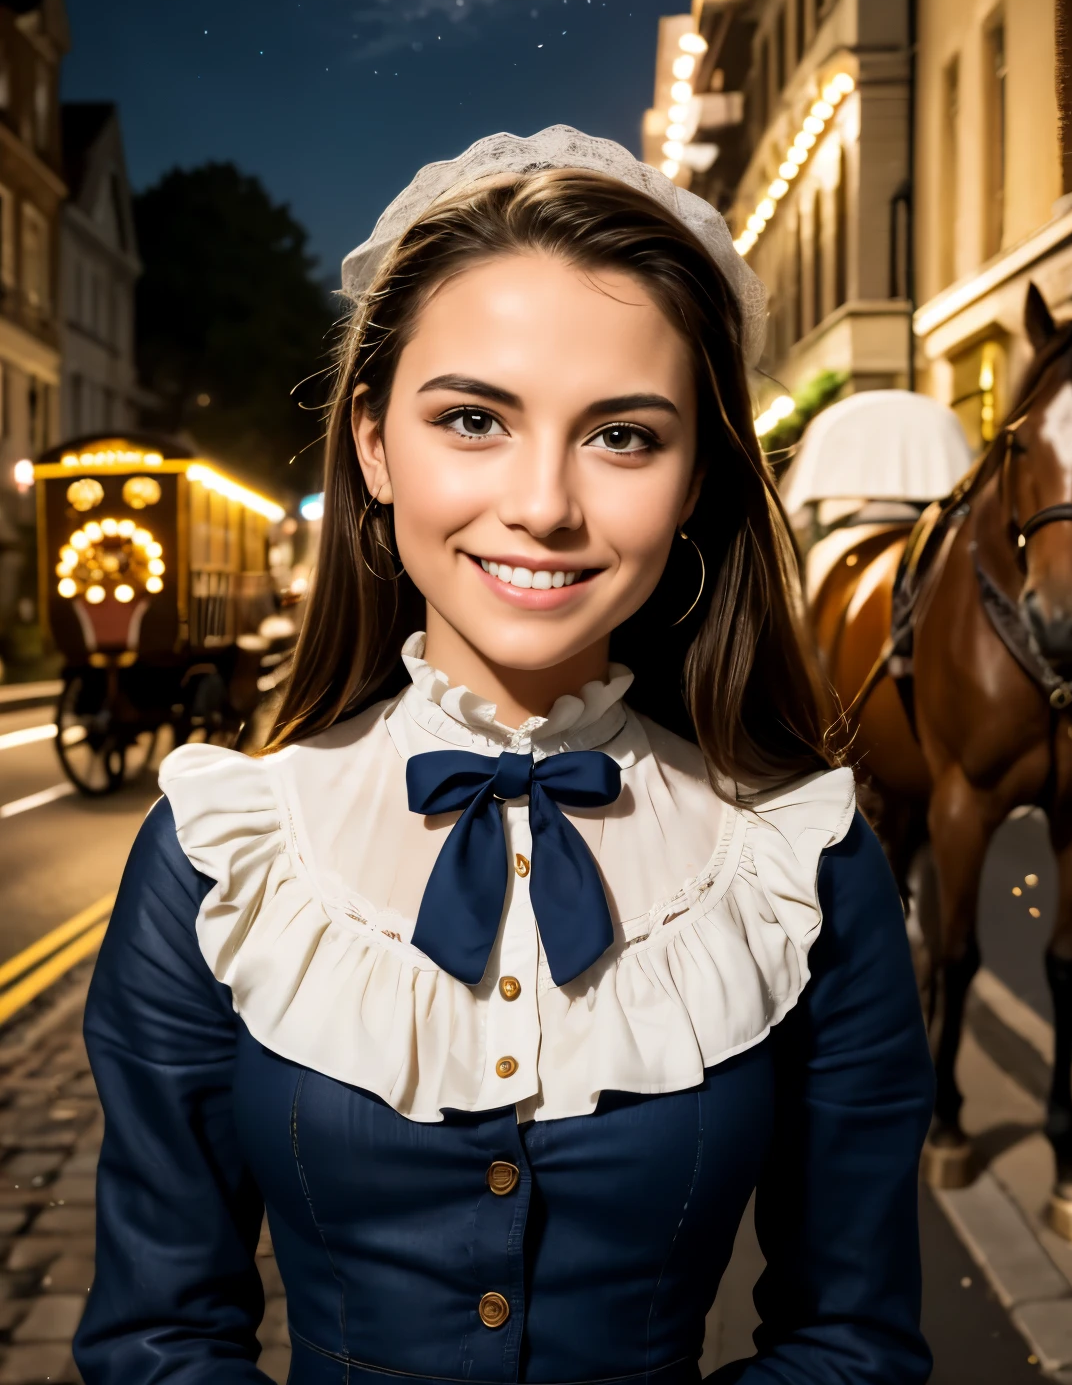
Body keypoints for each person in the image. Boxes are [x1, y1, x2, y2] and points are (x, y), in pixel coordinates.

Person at [73, 126, 934, 1385]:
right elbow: (157, 1341)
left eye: (624, 435)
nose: (544, 504)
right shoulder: (221, 854)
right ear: (372, 443)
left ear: (697, 476)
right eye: (473, 418)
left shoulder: (799, 859)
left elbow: (851, 1344)